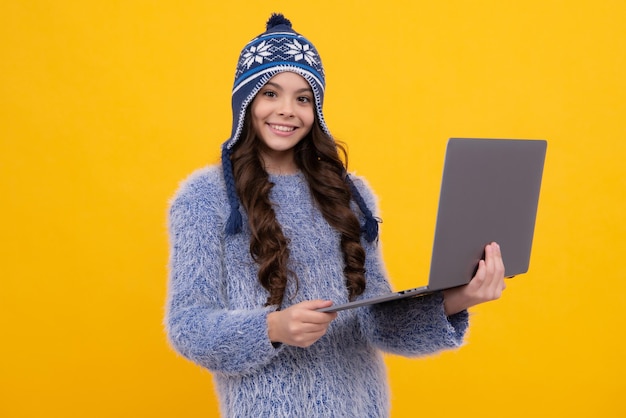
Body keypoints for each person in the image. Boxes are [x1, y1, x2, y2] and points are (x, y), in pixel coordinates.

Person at [165, 13, 506, 417]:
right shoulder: (205, 198)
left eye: (303, 98)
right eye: (270, 93)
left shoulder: (349, 195)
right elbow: (187, 326)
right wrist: (272, 328)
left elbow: (378, 324)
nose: (287, 110)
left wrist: (461, 296)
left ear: (317, 109)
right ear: (246, 101)